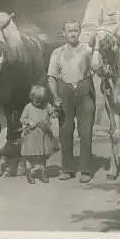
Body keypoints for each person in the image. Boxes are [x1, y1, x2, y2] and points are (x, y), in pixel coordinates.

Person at [47, 19, 96, 183]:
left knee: (86, 131)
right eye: (70, 31)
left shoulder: (88, 51)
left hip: (85, 91)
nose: (73, 33)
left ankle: (85, 170)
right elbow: (51, 78)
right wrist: (55, 97)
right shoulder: (57, 53)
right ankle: (67, 168)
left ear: (79, 31)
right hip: (64, 92)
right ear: (64, 33)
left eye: (76, 30)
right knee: (65, 131)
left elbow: (99, 68)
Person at [20, 85, 60, 184]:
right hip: (31, 135)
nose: (38, 102)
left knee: (43, 156)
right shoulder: (28, 107)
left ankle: (43, 173)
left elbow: (53, 114)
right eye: (36, 100)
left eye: (41, 100)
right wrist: (29, 121)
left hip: (44, 135)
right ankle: (29, 173)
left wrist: (56, 109)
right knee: (29, 156)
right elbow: (22, 119)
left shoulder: (46, 105)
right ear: (31, 97)